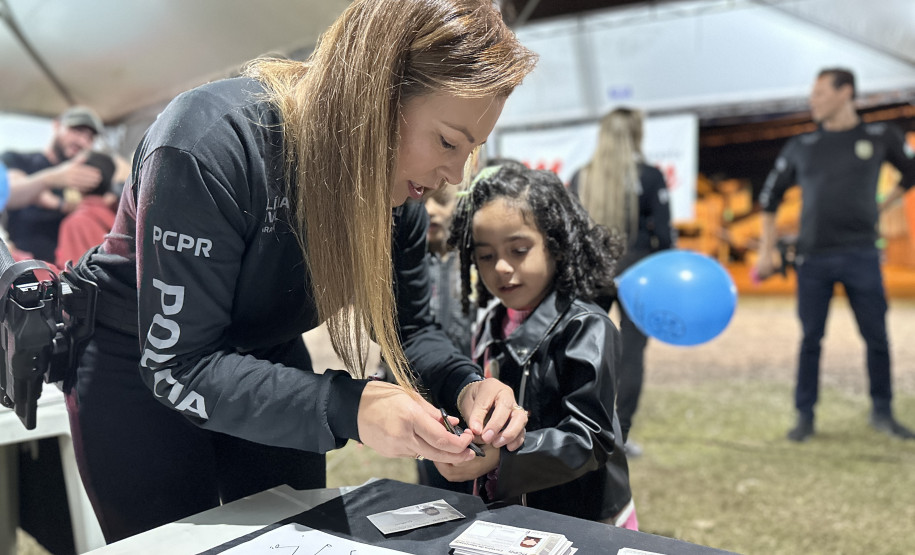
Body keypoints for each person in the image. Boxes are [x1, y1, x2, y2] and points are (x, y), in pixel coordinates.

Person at [63, 0, 537, 543]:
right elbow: (179, 364)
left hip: (267, 356)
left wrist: (465, 388)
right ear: (373, 92)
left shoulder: (397, 197)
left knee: (301, 538)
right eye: (448, 142)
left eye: (471, 151)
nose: (453, 175)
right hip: (135, 369)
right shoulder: (210, 142)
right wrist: (351, 406)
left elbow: (412, 332)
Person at [435, 162, 638, 528]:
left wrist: (504, 458)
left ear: (556, 246)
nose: (500, 267)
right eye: (485, 255)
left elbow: (591, 438)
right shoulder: (488, 325)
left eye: (518, 250)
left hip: (583, 518)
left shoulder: (586, 327)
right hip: (509, 515)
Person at [756, 68, 915, 442]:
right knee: (811, 339)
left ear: (846, 93)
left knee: (876, 337)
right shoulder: (801, 145)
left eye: (820, 93)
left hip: (861, 253)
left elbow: (911, 172)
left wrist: (884, 204)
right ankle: (805, 416)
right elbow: (769, 199)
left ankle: (883, 411)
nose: (813, 101)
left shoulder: (880, 136)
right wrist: (766, 251)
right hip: (813, 258)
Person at [570, 107, 674, 455]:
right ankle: (620, 436)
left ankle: (585, 430)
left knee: (588, 352)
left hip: (592, 272)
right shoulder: (650, 176)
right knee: (631, 354)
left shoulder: (581, 177)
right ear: (635, 134)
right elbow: (664, 237)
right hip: (639, 274)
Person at [415, 184, 476, 494]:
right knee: (433, 482)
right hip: (427, 401)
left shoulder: (474, 263)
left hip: (471, 392)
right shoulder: (410, 264)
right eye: (422, 201)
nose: (430, 210)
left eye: (440, 200)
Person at [1, 106, 107, 262]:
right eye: (77, 131)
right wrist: (51, 179)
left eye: (90, 138)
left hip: (69, 272)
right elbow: (8, 193)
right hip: (23, 269)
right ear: (57, 125)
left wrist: (57, 203)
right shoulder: (18, 159)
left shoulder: (85, 175)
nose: (83, 141)